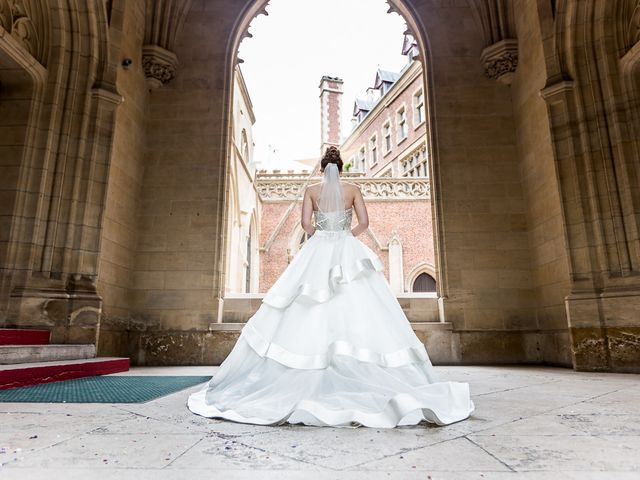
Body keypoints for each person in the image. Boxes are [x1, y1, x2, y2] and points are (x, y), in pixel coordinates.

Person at [187, 146, 474, 428]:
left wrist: (321, 235)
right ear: (341, 168)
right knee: (358, 305)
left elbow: (304, 224)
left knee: (306, 304)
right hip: (346, 245)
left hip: (320, 248)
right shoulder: (353, 190)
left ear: (323, 169)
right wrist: (346, 236)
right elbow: (365, 222)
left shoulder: (312, 191)